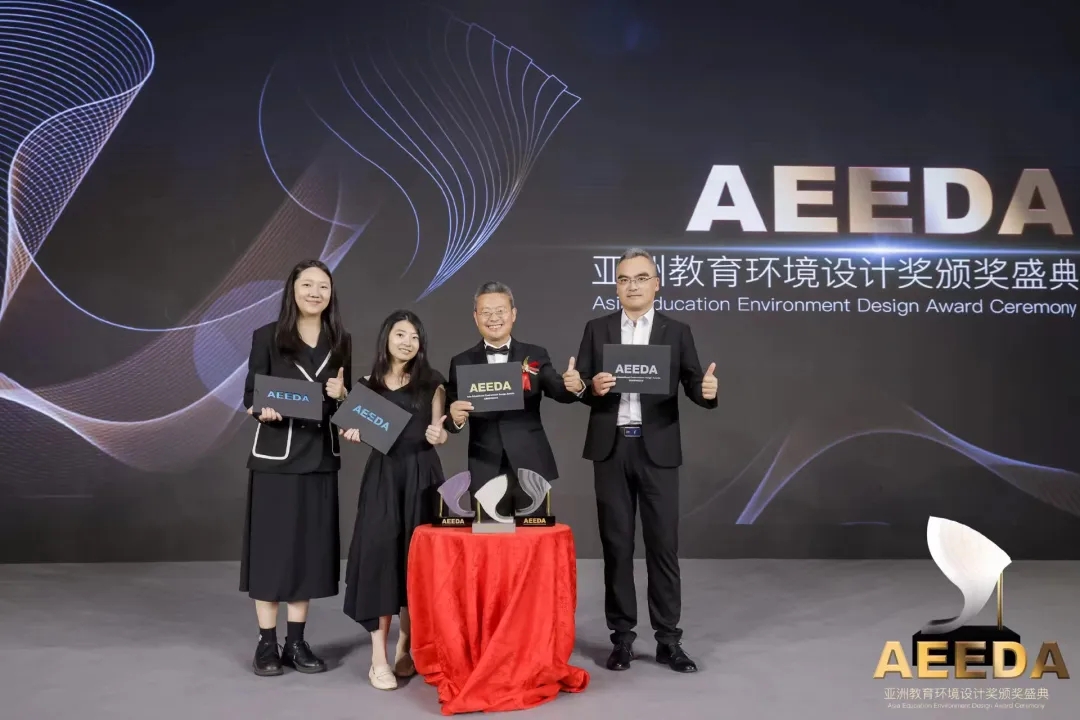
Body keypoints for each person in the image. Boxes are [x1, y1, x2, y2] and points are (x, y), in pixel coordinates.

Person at [562, 248, 718, 674]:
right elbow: (583, 387)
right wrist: (585, 386)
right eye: (624, 279)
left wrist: (706, 392)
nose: (632, 286)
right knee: (616, 546)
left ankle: (669, 640)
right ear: (616, 286)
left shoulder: (676, 331)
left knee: (663, 546)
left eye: (641, 278)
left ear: (656, 284)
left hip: (658, 451)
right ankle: (622, 639)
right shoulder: (597, 328)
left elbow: (693, 382)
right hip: (611, 448)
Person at [240, 259, 352, 677]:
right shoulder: (267, 336)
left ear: (331, 294)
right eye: (307, 285)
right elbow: (251, 393)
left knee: (307, 551)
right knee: (272, 551)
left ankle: (296, 642)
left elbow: (343, 405)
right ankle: (266, 643)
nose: (315, 292)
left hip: (320, 457)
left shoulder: (341, 341)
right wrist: (261, 410)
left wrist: (343, 396)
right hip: (276, 458)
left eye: (323, 286)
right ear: (293, 289)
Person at [341, 310, 449, 691]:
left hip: (423, 477)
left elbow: (440, 430)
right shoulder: (367, 386)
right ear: (387, 337)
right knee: (381, 561)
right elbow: (358, 426)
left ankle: (407, 644)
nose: (407, 342)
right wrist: (354, 431)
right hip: (384, 478)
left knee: (415, 562)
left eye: (414, 337)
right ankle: (378, 659)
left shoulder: (432, 382)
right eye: (401, 334)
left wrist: (439, 435)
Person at [444, 281, 579, 514]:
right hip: (484, 465)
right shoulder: (461, 362)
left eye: (500, 311)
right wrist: (454, 418)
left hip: (531, 465)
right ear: (475, 317)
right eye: (486, 312)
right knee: (488, 535)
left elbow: (558, 390)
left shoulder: (534, 355)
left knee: (534, 535)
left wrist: (573, 386)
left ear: (513, 314)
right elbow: (451, 415)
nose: (493, 318)